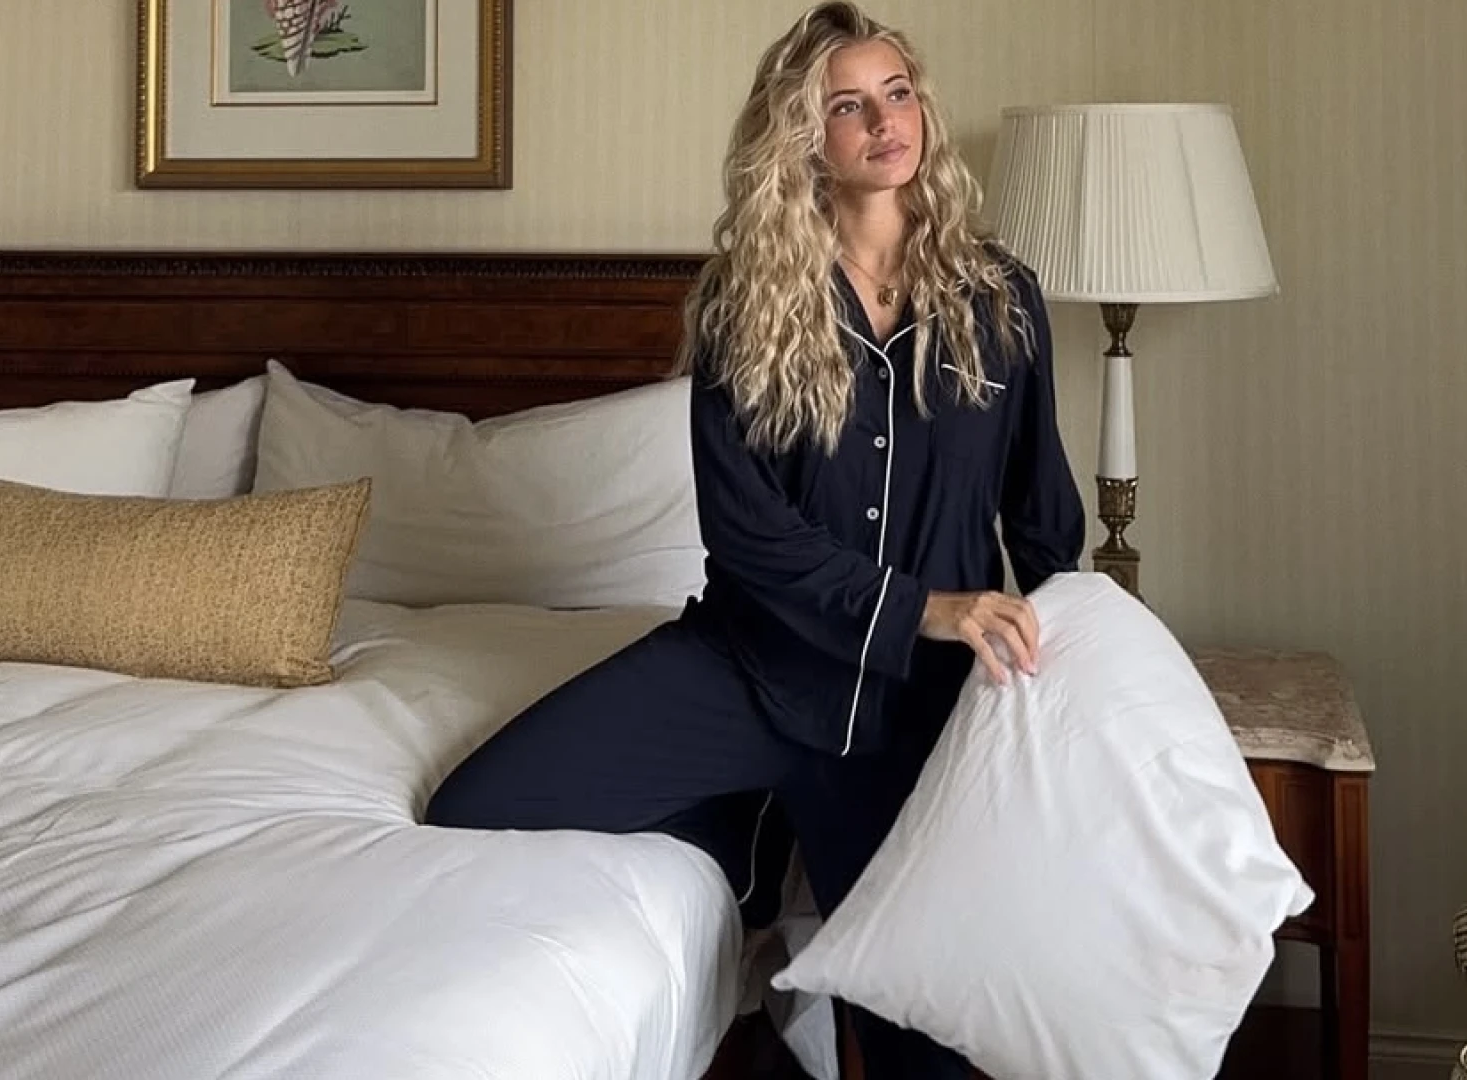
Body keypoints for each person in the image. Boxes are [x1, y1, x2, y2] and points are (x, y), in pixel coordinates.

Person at [424, 3, 1086, 1076]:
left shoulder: (1001, 298)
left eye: (897, 94)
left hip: (909, 710)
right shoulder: (749, 304)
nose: (885, 122)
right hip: (749, 668)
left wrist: (1081, 653)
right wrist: (922, 605)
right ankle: (743, 833)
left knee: (923, 1047)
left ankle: (781, 839)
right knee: (479, 802)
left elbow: (1041, 506)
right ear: (805, 137)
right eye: (848, 106)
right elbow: (746, 535)